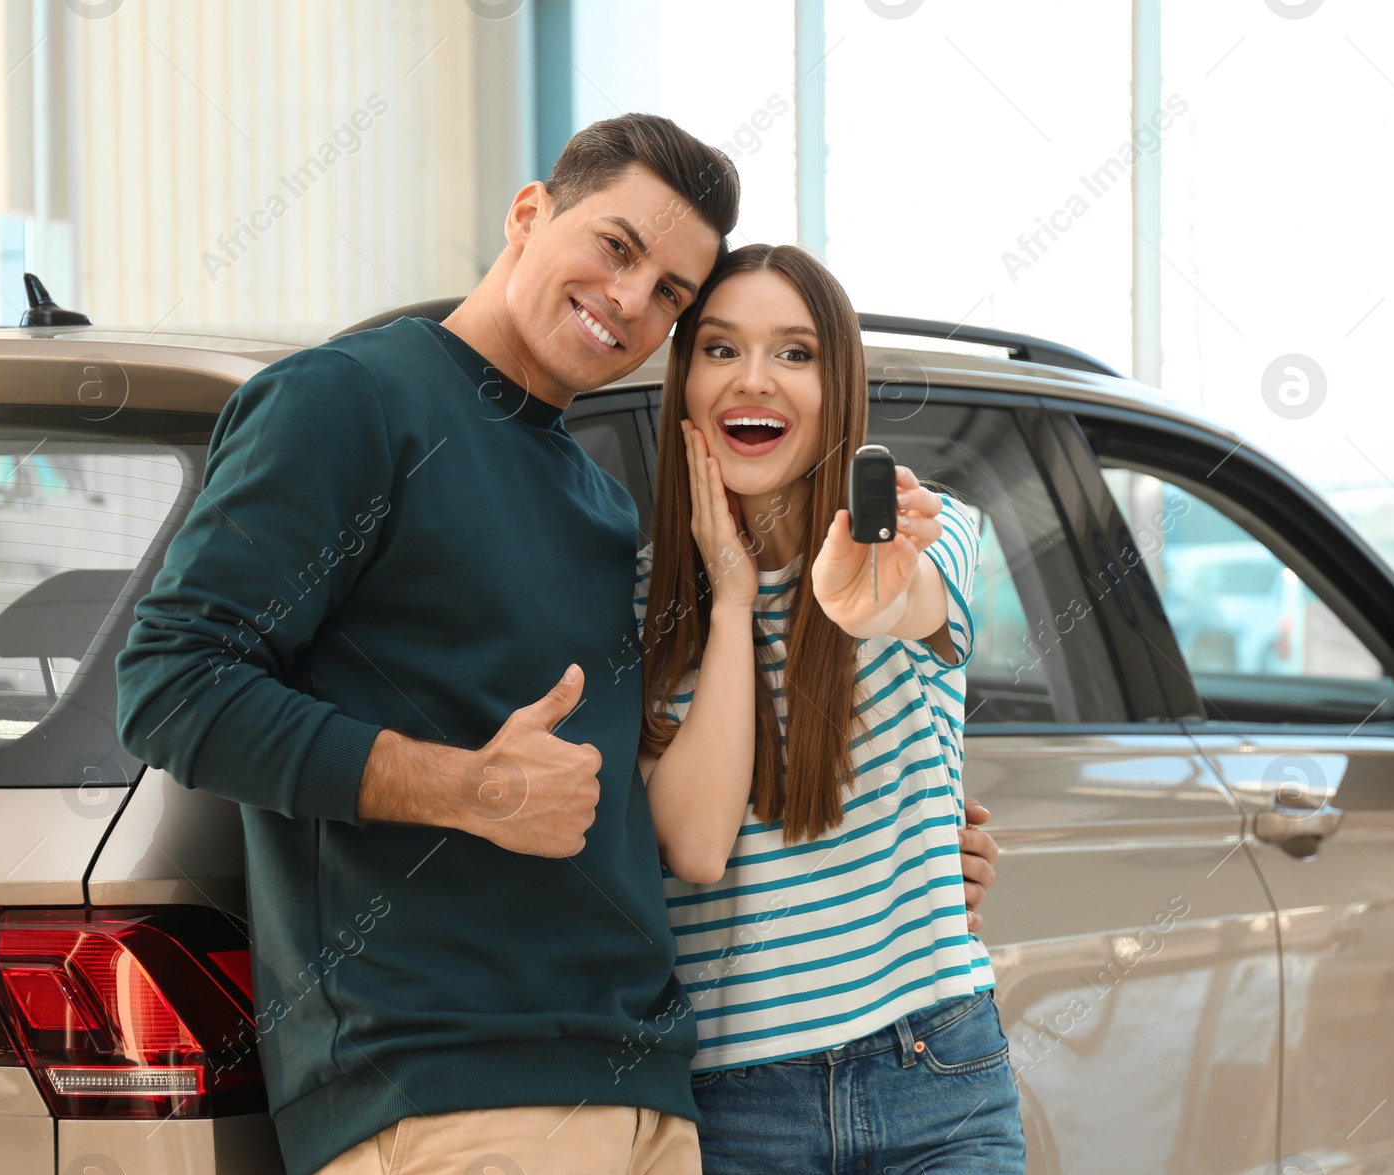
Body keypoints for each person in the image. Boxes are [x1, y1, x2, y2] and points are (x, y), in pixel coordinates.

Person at [116, 114, 739, 1175]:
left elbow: (612, 791)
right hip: (445, 1092)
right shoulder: (348, 400)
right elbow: (172, 683)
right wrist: (468, 788)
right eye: (617, 247)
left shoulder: (594, 497)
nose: (633, 302)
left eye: (672, 292)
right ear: (529, 212)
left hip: (638, 1084)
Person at [634, 243, 1025, 1173]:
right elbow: (693, 844)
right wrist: (730, 598)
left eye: (796, 353)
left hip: (935, 1070)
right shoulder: (638, 604)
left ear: (838, 383)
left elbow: (901, 604)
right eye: (720, 350)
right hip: (737, 1105)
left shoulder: (929, 533)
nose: (754, 380)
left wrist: (859, 600)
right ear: (683, 382)